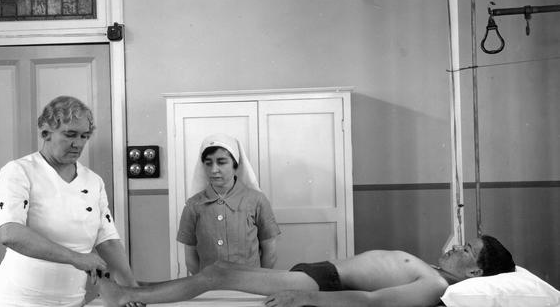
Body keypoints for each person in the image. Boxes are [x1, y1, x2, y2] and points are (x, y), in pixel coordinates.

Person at [0, 96, 138, 307]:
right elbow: (10, 233)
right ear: (45, 133)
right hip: (20, 299)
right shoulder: (18, 171)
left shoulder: (93, 181)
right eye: (70, 135)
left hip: (72, 300)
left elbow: (108, 240)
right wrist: (77, 258)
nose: (78, 143)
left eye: (85, 136)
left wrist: (131, 289)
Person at [98, 234, 515, 307]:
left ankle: (125, 295)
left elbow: (372, 301)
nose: (458, 246)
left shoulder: (435, 284)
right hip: (321, 272)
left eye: (468, 249)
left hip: (325, 282)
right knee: (218, 272)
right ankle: (136, 290)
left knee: (219, 274)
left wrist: (306, 297)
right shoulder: (434, 270)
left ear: (476, 273)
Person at [177, 133, 281, 274]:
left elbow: (270, 252)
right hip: (209, 289)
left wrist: (257, 281)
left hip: (249, 287)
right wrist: (205, 282)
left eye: (221, 162)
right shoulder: (193, 205)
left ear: (235, 165)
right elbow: (190, 257)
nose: (214, 170)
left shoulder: (257, 200)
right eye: (208, 163)